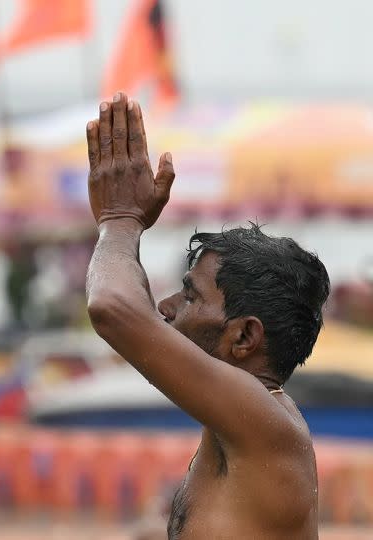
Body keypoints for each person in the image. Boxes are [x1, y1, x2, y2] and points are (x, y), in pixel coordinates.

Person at [85, 92, 328, 539]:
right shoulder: (242, 421)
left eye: (191, 297)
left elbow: (113, 308)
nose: (167, 308)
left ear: (244, 337)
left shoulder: (264, 419)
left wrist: (119, 220)